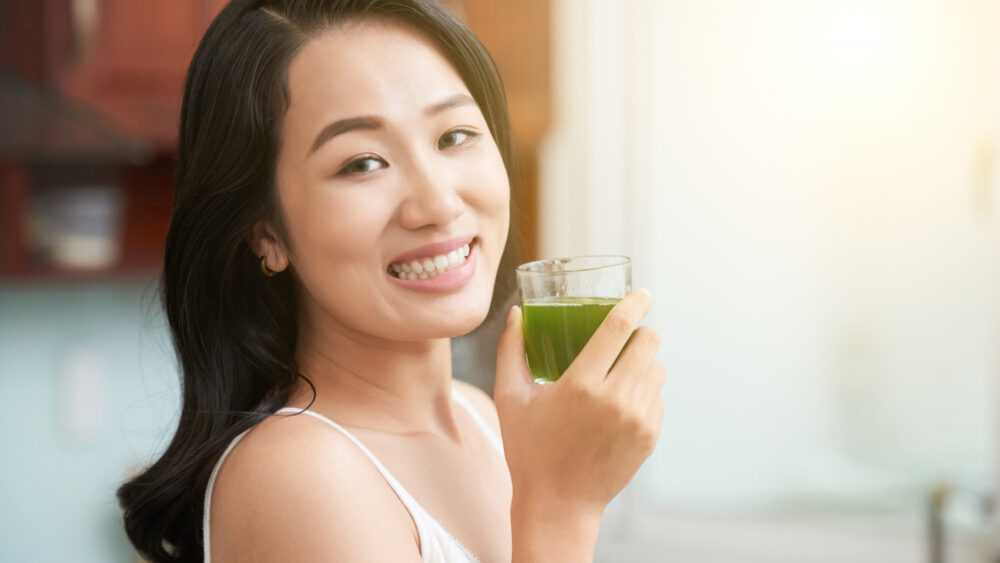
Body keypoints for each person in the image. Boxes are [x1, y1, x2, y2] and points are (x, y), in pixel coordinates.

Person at [117, 1, 666, 561]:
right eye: (362, 163)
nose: (438, 203)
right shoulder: (299, 474)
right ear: (267, 235)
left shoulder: (487, 418)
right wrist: (562, 505)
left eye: (453, 136)